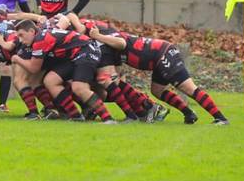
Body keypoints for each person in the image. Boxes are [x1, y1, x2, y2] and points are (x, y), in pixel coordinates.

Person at [88, 26, 230, 125]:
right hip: (157, 60)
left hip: (163, 54)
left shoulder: (111, 39)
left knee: (188, 88)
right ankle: (189, 113)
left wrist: (98, 36)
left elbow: (122, 43)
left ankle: (221, 118)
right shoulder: (108, 47)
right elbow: (119, 74)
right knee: (156, 90)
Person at [11, 19, 118, 124]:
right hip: (74, 55)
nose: (20, 40)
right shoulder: (41, 35)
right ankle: (76, 116)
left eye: (21, 35)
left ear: (31, 31)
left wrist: (16, 59)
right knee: (50, 81)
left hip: (86, 51)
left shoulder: (40, 39)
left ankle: (108, 119)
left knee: (79, 87)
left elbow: (34, 68)